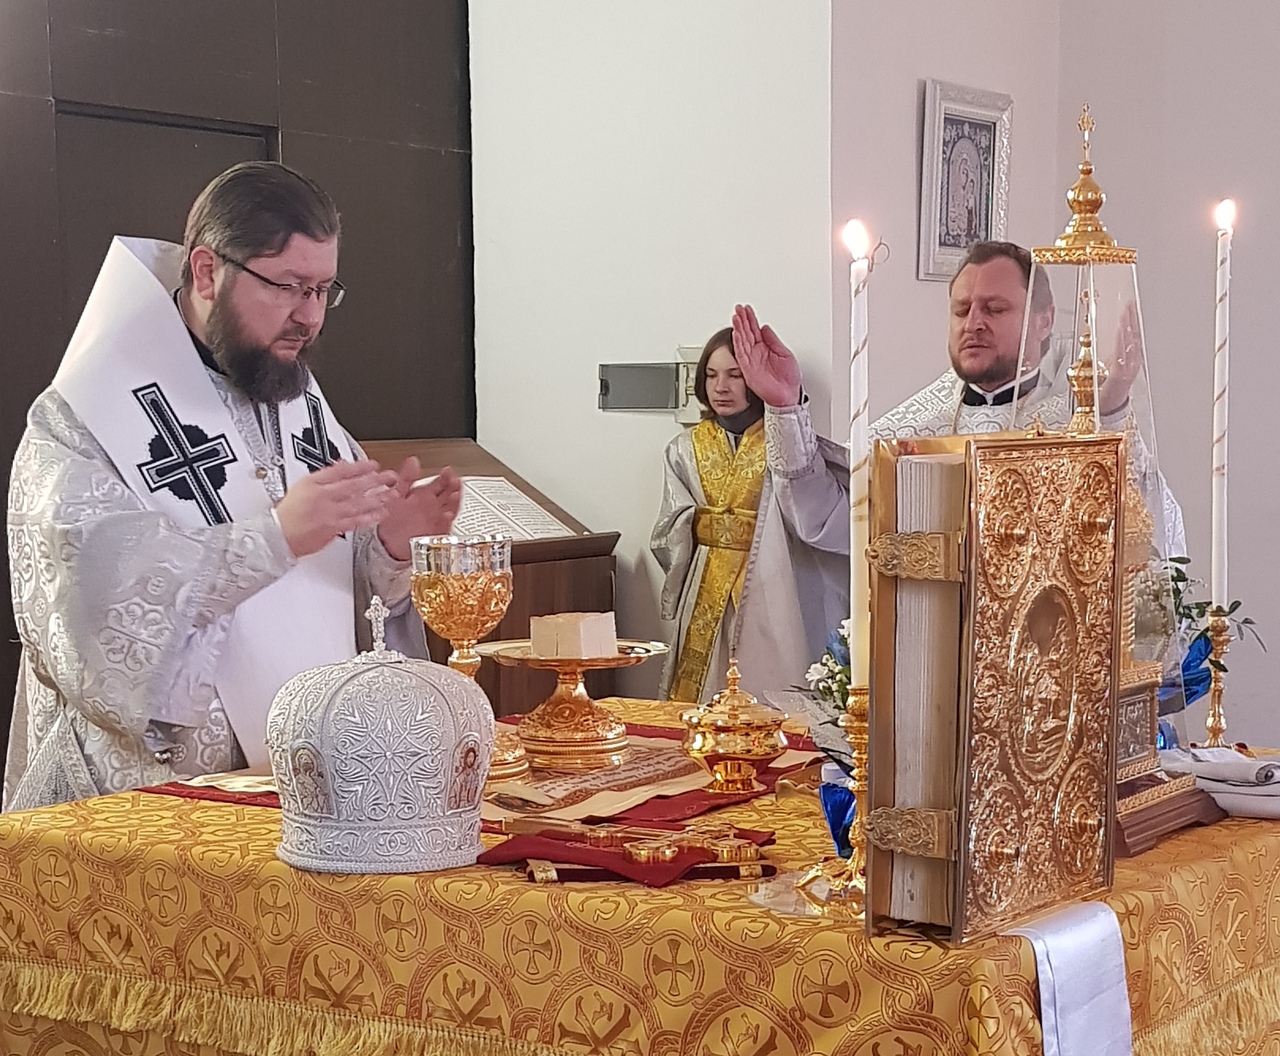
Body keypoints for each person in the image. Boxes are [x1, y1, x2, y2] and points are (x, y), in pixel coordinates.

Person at [5, 161, 462, 811]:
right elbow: (92, 612)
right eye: (288, 286)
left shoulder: (294, 401)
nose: (309, 317)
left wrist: (387, 550)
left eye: (323, 290)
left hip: (313, 792)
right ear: (206, 272)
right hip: (147, 812)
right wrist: (273, 539)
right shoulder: (84, 418)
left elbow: (338, 605)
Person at [872, 239, 1185, 555]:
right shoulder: (912, 428)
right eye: (961, 310)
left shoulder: (1075, 421)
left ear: (1044, 321)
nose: (973, 324)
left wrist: (1114, 404)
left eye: (995, 309)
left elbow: (1151, 528)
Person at [651, 305, 849, 704]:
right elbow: (668, 529)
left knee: (770, 682)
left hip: (770, 579)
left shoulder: (786, 445)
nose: (720, 387)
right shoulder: (684, 449)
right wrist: (699, 527)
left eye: (735, 375)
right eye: (711, 375)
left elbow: (810, 511)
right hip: (707, 584)